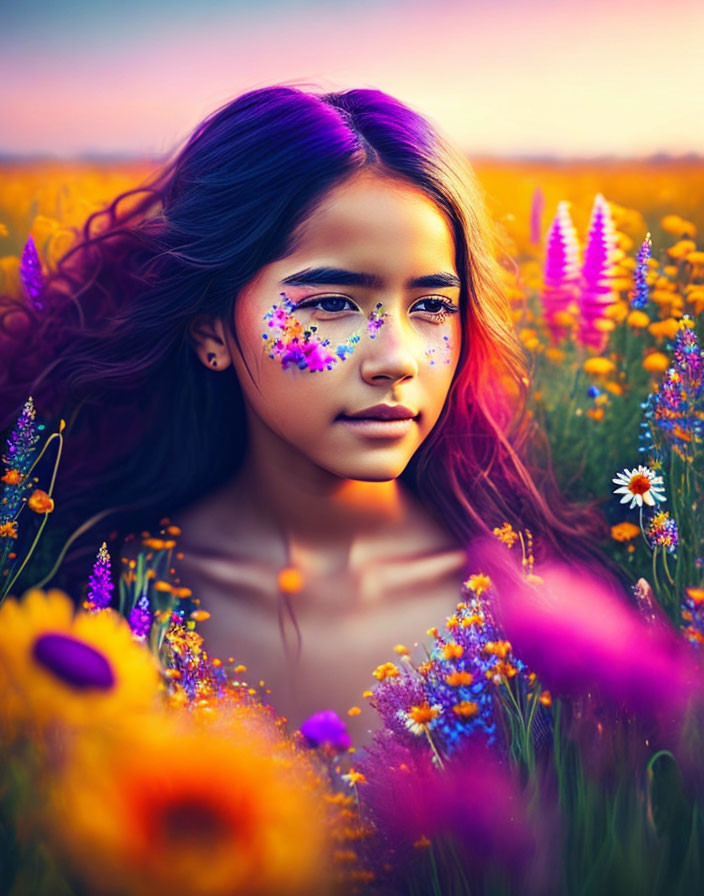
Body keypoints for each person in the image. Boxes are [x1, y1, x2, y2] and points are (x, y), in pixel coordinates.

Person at [0, 83, 615, 745]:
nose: (396, 360)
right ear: (209, 328)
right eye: (331, 304)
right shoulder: (102, 602)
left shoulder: (534, 609)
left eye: (432, 307)